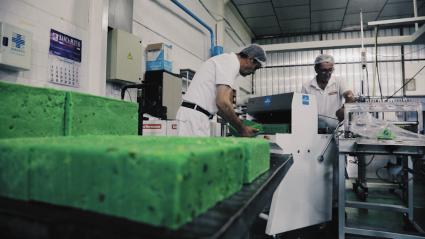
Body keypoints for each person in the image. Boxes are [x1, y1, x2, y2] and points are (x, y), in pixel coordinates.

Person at [176, 44, 266, 137]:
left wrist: (238, 124)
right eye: (256, 67)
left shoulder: (227, 62)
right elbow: (222, 102)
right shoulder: (230, 62)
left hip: (197, 117)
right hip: (194, 118)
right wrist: (242, 129)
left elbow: (220, 108)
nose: (253, 72)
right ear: (250, 59)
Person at [301, 54, 355, 130]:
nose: (328, 73)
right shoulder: (307, 87)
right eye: (324, 70)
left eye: (330, 70)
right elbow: (303, 109)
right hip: (315, 130)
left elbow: (350, 96)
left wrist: (344, 108)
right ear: (316, 69)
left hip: (336, 129)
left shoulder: (338, 82)